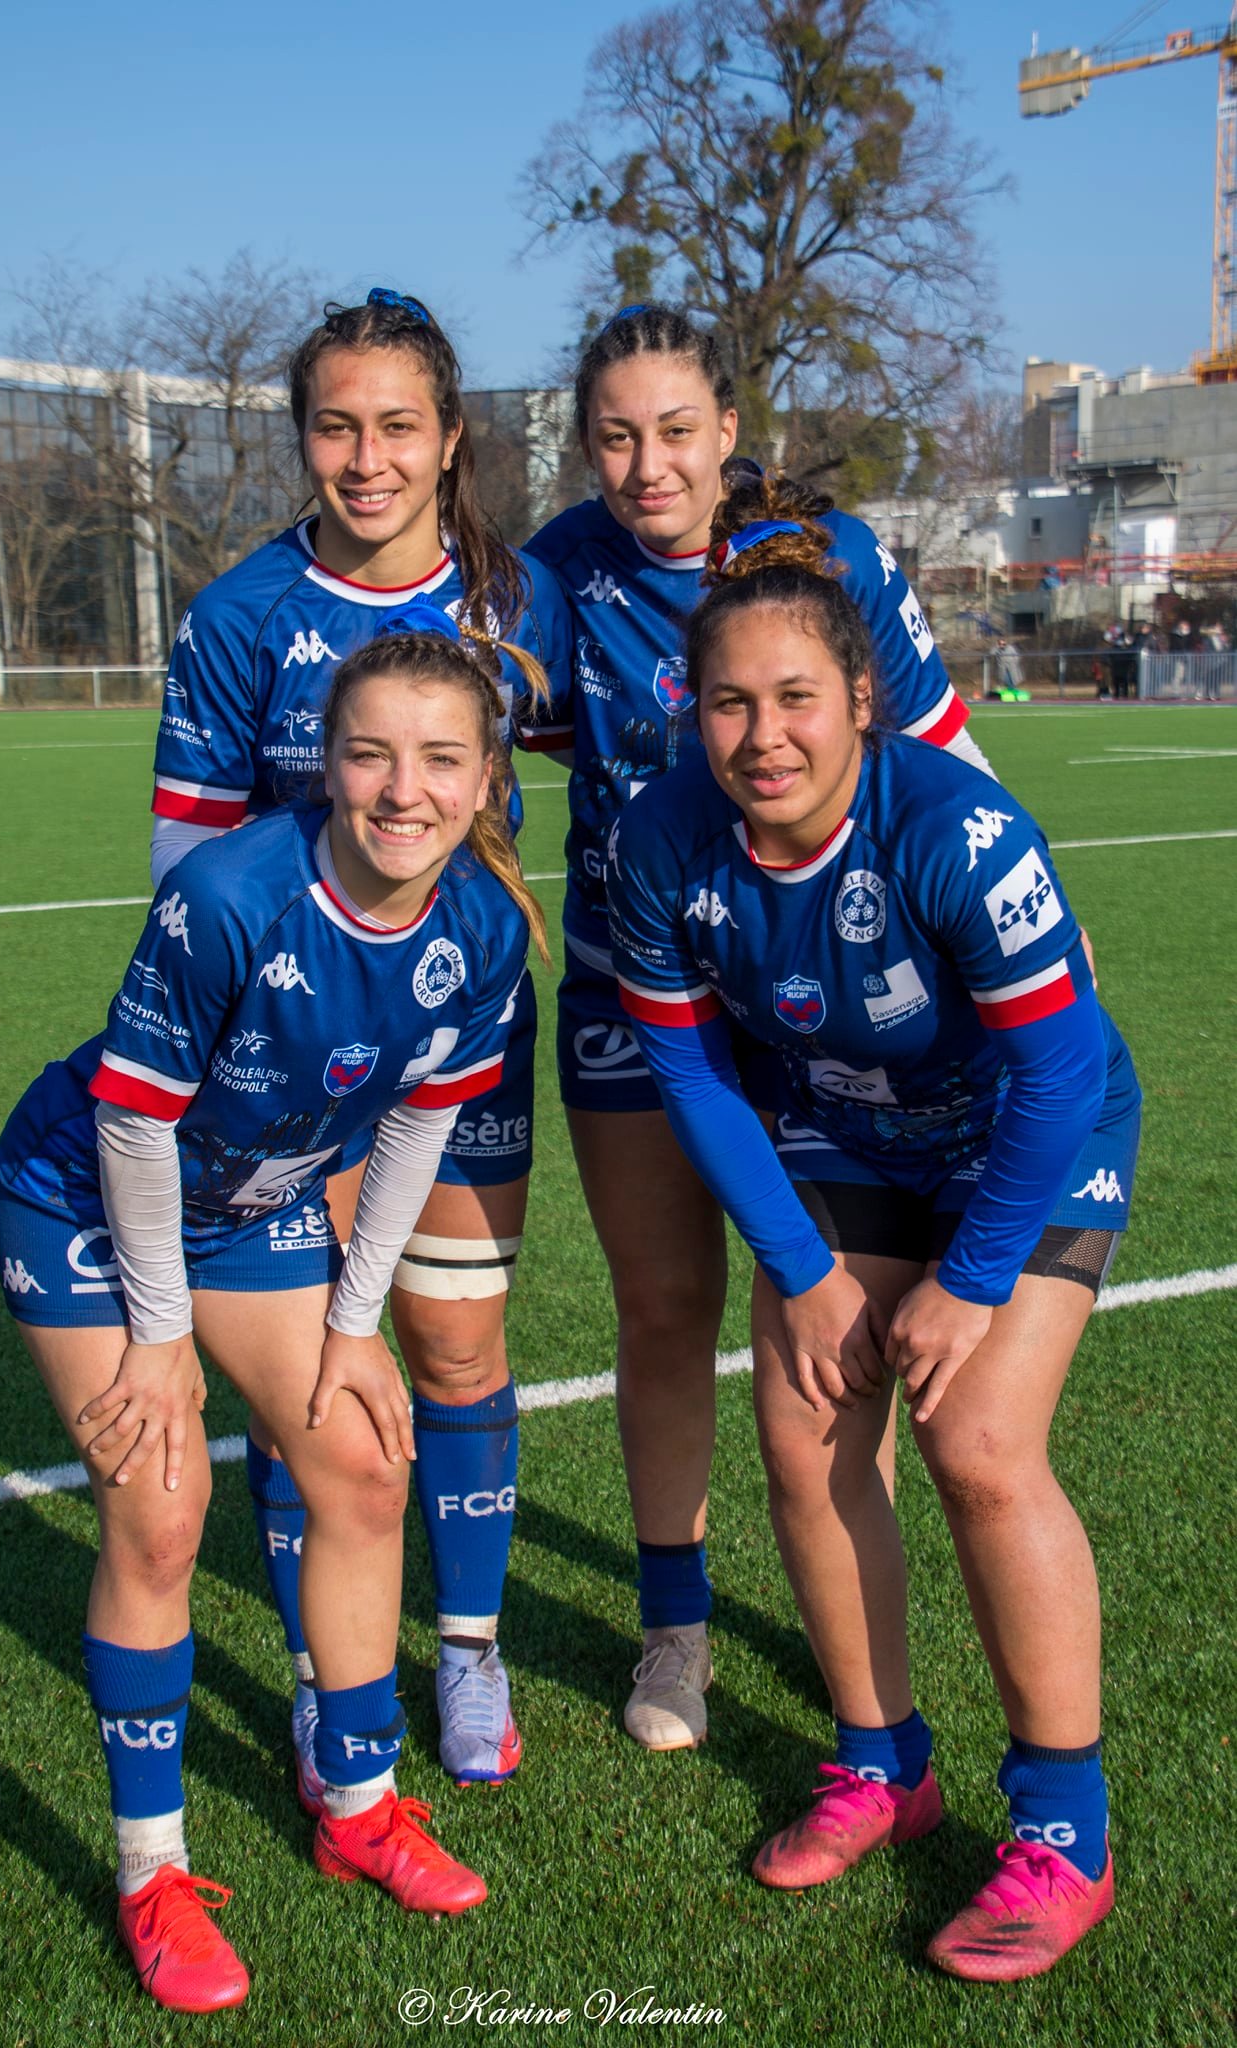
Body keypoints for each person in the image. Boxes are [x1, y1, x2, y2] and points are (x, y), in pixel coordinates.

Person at [604, 499, 1141, 1982]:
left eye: (794, 699)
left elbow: (1061, 1068)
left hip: (1031, 1131)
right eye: (728, 701)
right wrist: (802, 1269)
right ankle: (879, 1765)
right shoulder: (659, 840)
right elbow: (696, 1074)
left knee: (973, 1442)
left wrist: (970, 1284)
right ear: (689, 709)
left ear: (859, 701)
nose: (761, 735)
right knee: (804, 1426)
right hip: (846, 1137)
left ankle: (1060, 1826)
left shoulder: (957, 831)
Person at [0, 617, 543, 2007]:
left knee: (359, 1461)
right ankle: (152, 1871)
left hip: (253, 1202)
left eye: (436, 761)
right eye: (368, 756)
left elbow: (418, 1126)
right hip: (84, 1195)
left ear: (483, 782)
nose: (400, 791)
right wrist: (162, 1341)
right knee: (161, 1500)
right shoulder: (233, 895)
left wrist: (357, 1323)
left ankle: (357, 1808)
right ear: (325, 767)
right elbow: (126, 1131)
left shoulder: (482, 925)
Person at [523, 304, 991, 1751]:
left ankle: (850, 1587)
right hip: (640, 986)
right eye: (615, 435)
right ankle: (674, 1631)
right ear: (582, 444)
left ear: (728, 429)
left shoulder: (830, 556)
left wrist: (1015, 913)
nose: (646, 464)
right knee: (666, 1306)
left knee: (841, 1326)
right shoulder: (557, 574)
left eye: (675, 430)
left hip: (825, 995)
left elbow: (940, 754)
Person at [150, 288, 571, 1795]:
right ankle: (330, 1681)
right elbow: (180, 867)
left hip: (463, 1044)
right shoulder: (239, 616)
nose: (369, 455)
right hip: (286, 1079)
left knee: (453, 1344)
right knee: (307, 1378)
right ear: (302, 439)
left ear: (449, 438)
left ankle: (465, 1651)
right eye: (337, 424)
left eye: (399, 424)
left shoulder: (523, 600)